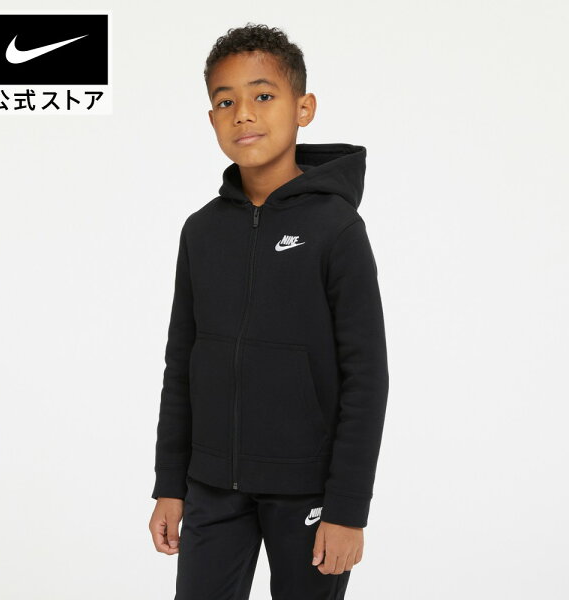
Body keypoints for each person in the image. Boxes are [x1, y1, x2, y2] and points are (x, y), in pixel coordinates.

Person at [148, 22, 389, 600]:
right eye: (225, 102)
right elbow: (181, 365)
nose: (243, 114)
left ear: (303, 108)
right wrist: (169, 484)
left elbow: (366, 376)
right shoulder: (201, 231)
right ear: (211, 118)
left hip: (308, 490)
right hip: (211, 485)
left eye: (262, 95)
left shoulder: (336, 229)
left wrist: (347, 508)